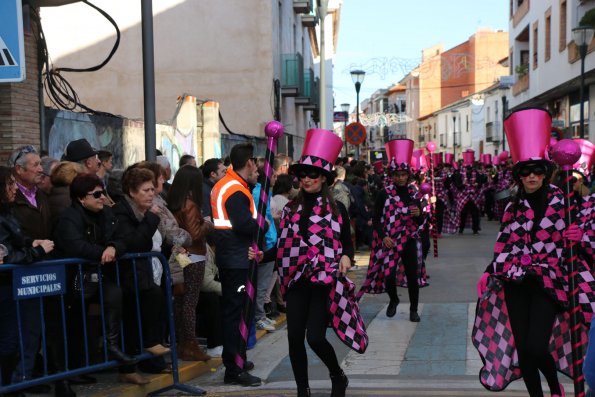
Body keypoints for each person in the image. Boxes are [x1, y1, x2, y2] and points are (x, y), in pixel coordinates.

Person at [472, 108, 595, 397]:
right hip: (515, 282)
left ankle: (554, 389)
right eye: (525, 171)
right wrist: (489, 271)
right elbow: (504, 245)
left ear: (545, 172)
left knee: (535, 346)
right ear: (518, 175)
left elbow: (587, 236)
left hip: (550, 283)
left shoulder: (565, 202)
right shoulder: (512, 207)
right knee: (522, 350)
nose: (531, 176)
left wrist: (581, 237)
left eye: (537, 170)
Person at [273, 129, 368, 397]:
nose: (306, 178)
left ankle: (337, 374)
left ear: (324, 177)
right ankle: (302, 390)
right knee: (293, 339)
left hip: (323, 281)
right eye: (301, 174)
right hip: (295, 281)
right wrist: (260, 255)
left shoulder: (336, 208)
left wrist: (347, 257)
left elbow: (346, 244)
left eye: (312, 174)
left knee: (314, 338)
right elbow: (283, 246)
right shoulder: (291, 209)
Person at [53, 174, 135, 366]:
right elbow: (76, 246)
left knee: (114, 294)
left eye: (103, 192)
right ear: (81, 198)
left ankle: (110, 344)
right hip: (72, 278)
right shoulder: (69, 217)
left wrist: (113, 247)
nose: (103, 198)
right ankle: (71, 371)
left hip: (96, 275)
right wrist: (103, 253)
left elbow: (124, 237)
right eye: (97, 194)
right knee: (73, 323)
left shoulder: (106, 213)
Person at [358, 139, 428, 323]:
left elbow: (421, 221)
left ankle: (413, 310)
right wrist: (384, 236)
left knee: (412, 277)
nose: (400, 178)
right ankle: (394, 299)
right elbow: (376, 218)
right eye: (396, 174)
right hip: (390, 240)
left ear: (408, 175)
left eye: (403, 174)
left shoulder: (414, 194)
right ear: (392, 175)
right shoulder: (384, 193)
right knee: (388, 275)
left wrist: (419, 213)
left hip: (409, 240)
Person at [112, 167, 171, 385]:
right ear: (131, 191)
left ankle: (145, 351)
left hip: (141, 274)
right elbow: (135, 243)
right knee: (129, 320)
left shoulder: (141, 212)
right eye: (146, 190)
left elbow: (146, 242)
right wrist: (152, 219)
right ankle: (131, 364)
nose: (151, 194)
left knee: (153, 299)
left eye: (152, 189)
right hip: (124, 276)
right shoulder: (121, 212)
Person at [210, 143, 262, 386]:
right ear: (249, 162)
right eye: (255, 162)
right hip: (236, 258)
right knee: (237, 314)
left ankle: (237, 358)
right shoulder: (235, 189)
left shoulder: (232, 184)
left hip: (234, 255)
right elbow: (244, 224)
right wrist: (262, 224)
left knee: (237, 312)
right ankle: (234, 368)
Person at [0, 166, 54, 394]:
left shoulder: (7, 212)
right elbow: (7, 256)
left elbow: (14, 244)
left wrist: (31, 243)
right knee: (9, 340)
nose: (14, 189)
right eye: (9, 184)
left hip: (15, 285)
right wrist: (38, 251)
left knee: (22, 337)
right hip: (6, 287)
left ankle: (16, 385)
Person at [166, 165, 212, 361]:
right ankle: (190, 344)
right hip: (194, 255)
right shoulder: (190, 204)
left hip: (181, 255)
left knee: (181, 299)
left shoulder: (174, 202)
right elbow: (195, 234)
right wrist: (208, 224)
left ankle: (181, 341)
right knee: (190, 302)